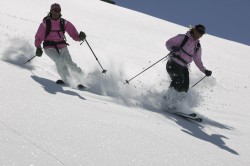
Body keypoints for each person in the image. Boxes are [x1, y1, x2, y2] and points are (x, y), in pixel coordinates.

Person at [35, 3, 86, 88]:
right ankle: (67, 80)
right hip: (49, 47)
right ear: (51, 11)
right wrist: (38, 47)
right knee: (59, 61)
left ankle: (83, 79)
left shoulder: (64, 22)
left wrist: (80, 37)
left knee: (70, 63)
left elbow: (74, 34)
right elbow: (38, 37)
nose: (57, 12)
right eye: (55, 10)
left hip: (62, 46)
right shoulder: (45, 24)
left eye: (59, 10)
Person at [165, 24, 212, 92]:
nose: (200, 34)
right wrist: (172, 48)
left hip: (183, 67)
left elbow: (198, 60)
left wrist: (205, 71)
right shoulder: (183, 37)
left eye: (202, 33)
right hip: (173, 63)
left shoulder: (197, 46)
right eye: (199, 31)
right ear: (194, 30)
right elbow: (168, 43)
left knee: (184, 88)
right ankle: (167, 98)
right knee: (179, 79)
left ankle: (176, 102)